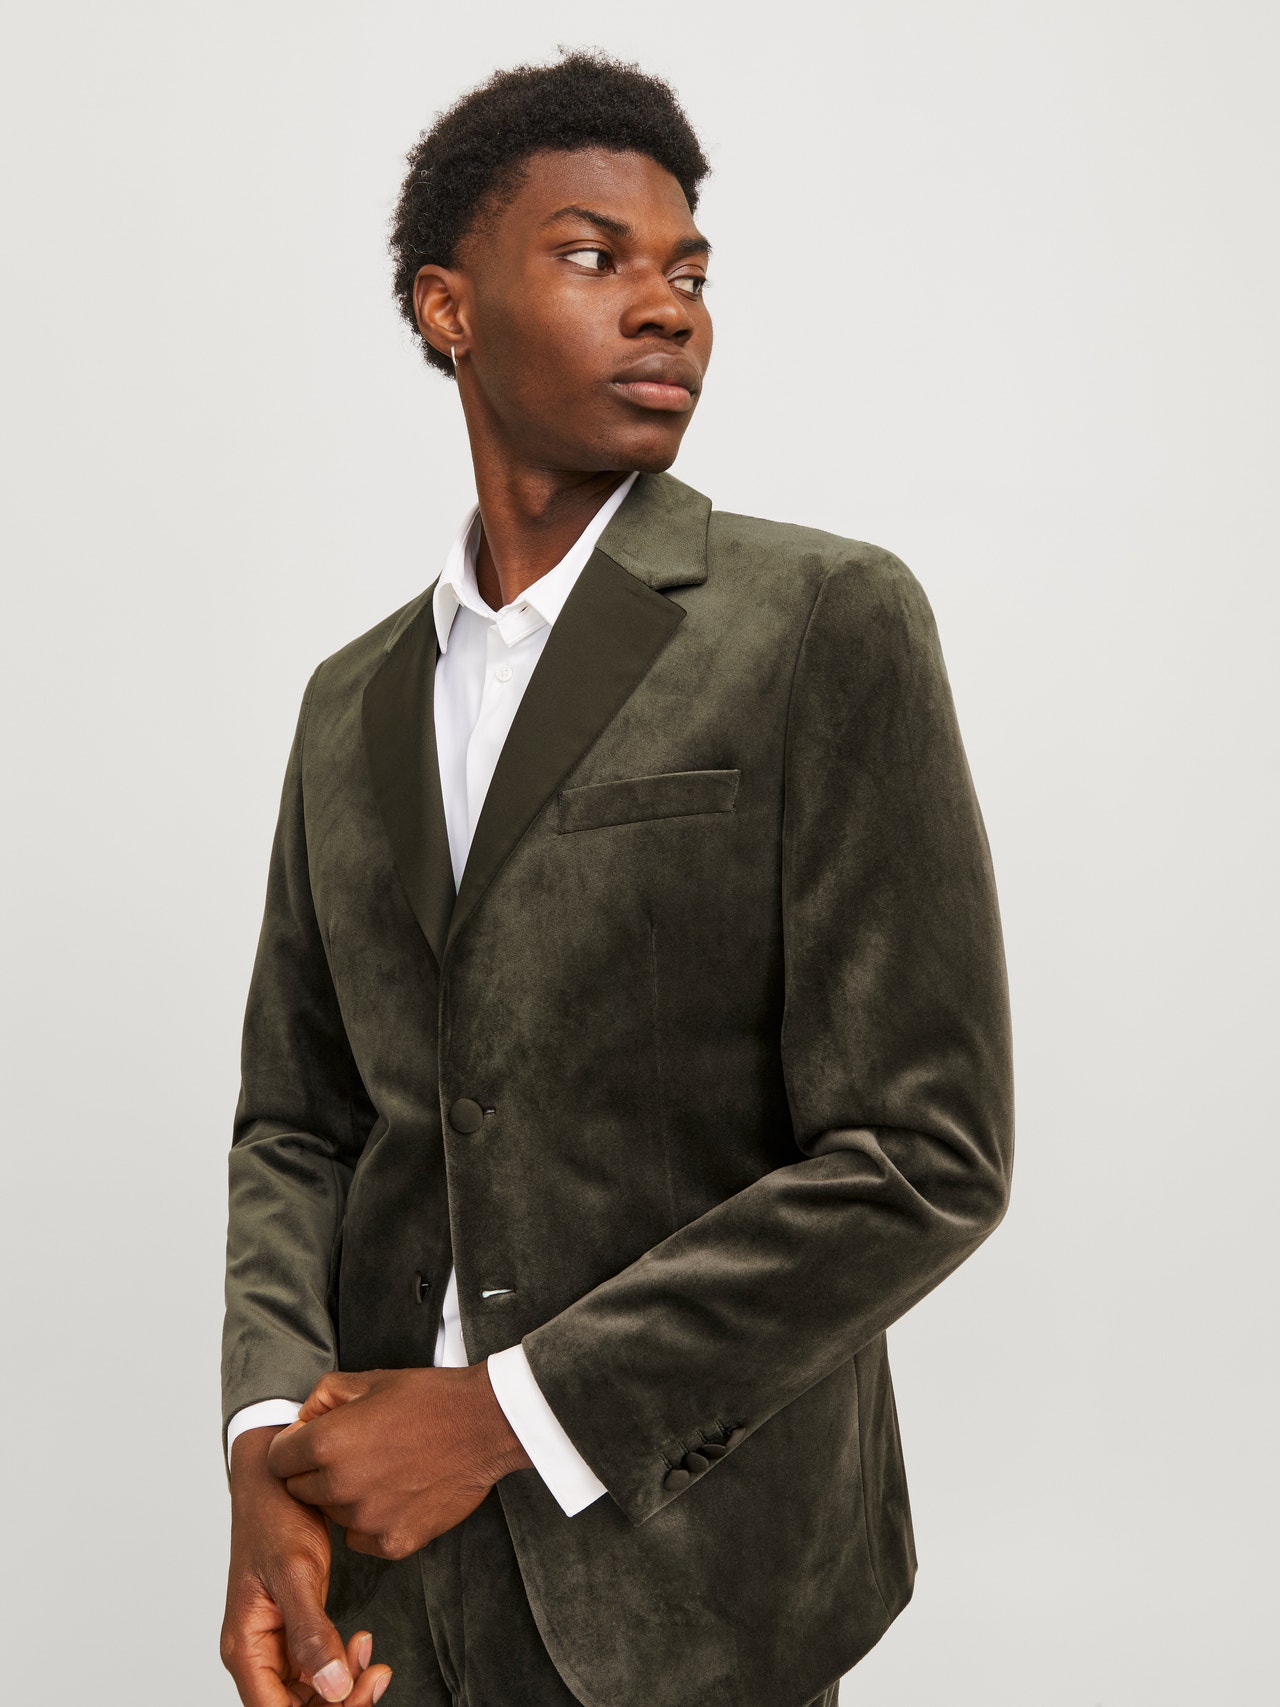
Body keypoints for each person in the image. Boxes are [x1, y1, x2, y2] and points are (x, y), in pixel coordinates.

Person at [219, 49, 1014, 1707]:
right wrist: (267, 1457)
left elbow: (922, 1157)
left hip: (696, 1588)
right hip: (384, 1588)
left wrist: (504, 1417)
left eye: (690, 274)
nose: (668, 310)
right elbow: (301, 1124)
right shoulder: (348, 702)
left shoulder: (820, 624)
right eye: (594, 257)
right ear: (447, 307)